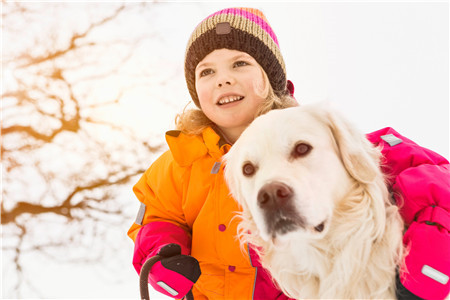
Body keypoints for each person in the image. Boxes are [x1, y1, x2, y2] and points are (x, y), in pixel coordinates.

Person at [128, 7, 450, 300]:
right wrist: (162, 258)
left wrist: (427, 262)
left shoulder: (313, 129)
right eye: (206, 72)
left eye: (239, 63)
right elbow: (153, 220)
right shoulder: (179, 162)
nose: (223, 78)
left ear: (270, 78)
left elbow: (432, 178)